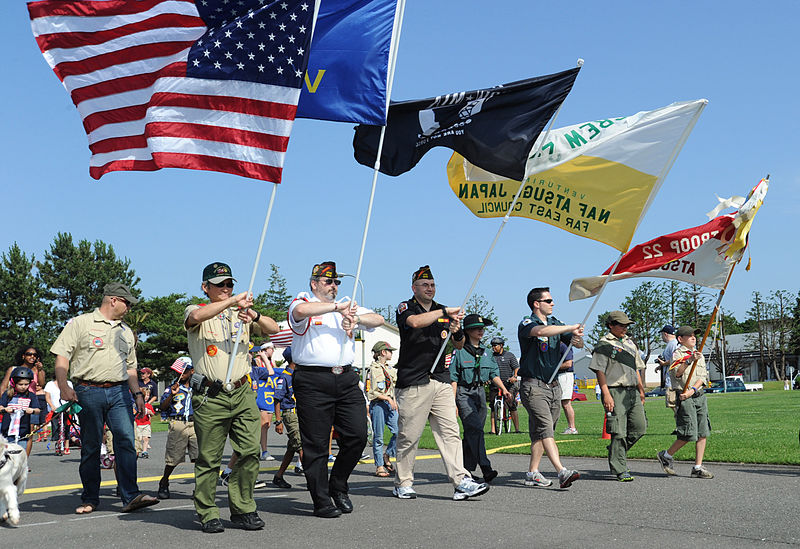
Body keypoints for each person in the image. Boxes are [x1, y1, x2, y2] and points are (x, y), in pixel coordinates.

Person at [184, 261, 280, 533]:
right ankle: (207, 511)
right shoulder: (197, 311)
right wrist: (231, 303)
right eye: (220, 285)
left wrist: (254, 315)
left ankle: (243, 507)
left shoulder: (241, 314)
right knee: (209, 458)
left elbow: (272, 329)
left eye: (229, 284)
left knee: (250, 451)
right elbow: (196, 319)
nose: (226, 289)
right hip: (211, 395)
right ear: (206, 288)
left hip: (241, 391)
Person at [51, 282, 159, 514]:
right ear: (113, 300)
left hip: (120, 392)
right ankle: (90, 499)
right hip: (88, 391)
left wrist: (137, 393)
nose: (129, 307)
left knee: (126, 442)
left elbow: (131, 368)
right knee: (91, 446)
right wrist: (63, 385)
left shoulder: (126, 331)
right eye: (127, 302)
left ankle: (131, 495)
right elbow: (62, 358)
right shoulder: (80, 323)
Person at [288, 261, 384, 518]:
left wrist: (355, 318)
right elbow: (300, 311)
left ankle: (338, 484)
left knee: (357, 435)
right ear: (314, 283)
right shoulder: (303, 301)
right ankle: (321, 501)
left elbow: (378, 319)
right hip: (312, 380)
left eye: (336, 283)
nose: (334, 286)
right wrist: (337, 307)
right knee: (316, 444)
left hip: (345, 378)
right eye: (328, 282)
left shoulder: (346, 305)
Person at [393, 265, 489, 502]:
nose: (430, 288)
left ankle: (460, 481)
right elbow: (414, 323)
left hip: (441, 379)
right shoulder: (407, 307)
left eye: (433, 285)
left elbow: (457, 345)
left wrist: (456, 331)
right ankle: (403, 482)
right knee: (409, 436)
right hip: (414, 380)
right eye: (425, 285)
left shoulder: (442, 311)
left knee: (450, 432)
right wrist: (444, 312)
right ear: (414, 288)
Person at [517, 287, 583, 489]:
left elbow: (576, 344)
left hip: (553, 386)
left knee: (541, 431)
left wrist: (576, 336)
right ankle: (562, 471)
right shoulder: (527, 323)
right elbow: (540, 332)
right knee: (545, 428)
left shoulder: (556, 323)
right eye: (548, 300)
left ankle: (532, 473)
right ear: (537, 304)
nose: (553, 303)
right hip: (533, 385)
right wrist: (569, 327)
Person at [450, 314, 510, 483]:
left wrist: (504, 390)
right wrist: (453, 403)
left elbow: (493, 373)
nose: (481, 331)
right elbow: (453, 378)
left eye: (482, 328)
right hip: (463, 392)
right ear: (467, 331)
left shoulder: (487, 352)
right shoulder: (459, 351)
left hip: (480, 393)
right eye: (477, 328)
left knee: (472, 432)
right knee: (475, 429)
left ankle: (465, 470)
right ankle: (486, 467)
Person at [589, 311, 647, 482]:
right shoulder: (604, 345)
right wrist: (606, 394)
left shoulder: (630, 343)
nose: (625, 328)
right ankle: (620, 469)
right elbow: (600, 370)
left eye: (626, 325)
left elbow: (636, 368)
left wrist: (641, 390)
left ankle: (615, 452)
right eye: (621, 325)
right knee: (618, 432)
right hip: (615, 390)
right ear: (611, 326)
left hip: (632, 391)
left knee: (640, 428)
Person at [657, 325, 714, 479]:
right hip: (683, 396)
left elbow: (703, 377)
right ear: (680, 339)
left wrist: (693, 390)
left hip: (697, 395)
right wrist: (688, 361)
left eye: (694, 335)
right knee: (688, 433)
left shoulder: (699, 355)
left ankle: (698, 466)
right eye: (689, 336)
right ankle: (666, 455)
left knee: (703, 432)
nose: (693, 338)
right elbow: (677, 374)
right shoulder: (677, 355)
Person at [157, 360, 198, 500]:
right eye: (178, 371)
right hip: (178, 423)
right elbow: (162, 407)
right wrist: (171, 395)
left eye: (185, 371)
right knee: (173, 459)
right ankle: (164, 481)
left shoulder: (198, 388)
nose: (181, 374)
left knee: (199, 458)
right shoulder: (172, 387)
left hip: (195, 424)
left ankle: (200, 488)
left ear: (192, 371)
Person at [366, 341, 398, 477]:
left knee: (399, 432)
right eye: (389, 351)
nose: (391, 353)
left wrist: (394, 402)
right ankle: (379, 466)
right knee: (378, 437)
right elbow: (372, 392)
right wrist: (388, 399)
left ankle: (387, 455)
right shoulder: (373, 369)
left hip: (391, 404)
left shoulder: (390, 369)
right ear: (383, 352)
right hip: (378, 405)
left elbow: (393, 388)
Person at [271, 347, 302, 489]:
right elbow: (277, 399)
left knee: (292, 448)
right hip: (290, 414)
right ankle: (314, 481)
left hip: (299, 414)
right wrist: (278, 421)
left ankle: (278, 476)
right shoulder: (284, 377)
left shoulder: (298, 375)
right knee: (302, 447)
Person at [0, 367, 41, 447]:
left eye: (26, 384)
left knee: (20, 451)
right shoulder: (8, 394)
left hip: (23, 430)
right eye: (20, 384)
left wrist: (32, 410)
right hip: (8, 429)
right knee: (8, 452)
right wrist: (5, 409)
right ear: (14, 383)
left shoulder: (31, 395)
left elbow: (38, 410)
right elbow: (1, 406)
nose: (23, 387)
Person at [489, 337, 520, 434]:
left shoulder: (509, 355)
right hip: (495, 384)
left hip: (508, 384)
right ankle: (493, 430)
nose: (493, 348)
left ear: (501, 345)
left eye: (495, 345)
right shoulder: (490, 356)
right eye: (492, 346)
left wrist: (514, 376)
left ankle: (517, 429)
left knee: (512, 405)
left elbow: (516, 367)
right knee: (493, 407)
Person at [253, 343, 277, 461]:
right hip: (260, 396)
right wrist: (262, 357)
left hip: (269, 396)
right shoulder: (257, 361)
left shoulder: (272, 362)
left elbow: (273, 372)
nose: (272, 351)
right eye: (270, 349)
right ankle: (262, 450)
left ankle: (263, 449)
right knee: (262, 424)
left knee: (267, 425)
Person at [43, 376, 73, 455]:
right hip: (55, 409)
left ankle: (67, 445)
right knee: (56, 427)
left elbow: (71, 395)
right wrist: (52, 406)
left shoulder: (68, 383)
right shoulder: (50, 384)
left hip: (66, 408)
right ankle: (58, 444)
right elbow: (47, 397)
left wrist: (69, 406)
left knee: (67, 427)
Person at [557, 343, 578, 434]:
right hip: (558, 375)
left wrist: (553, 367)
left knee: (566, 403)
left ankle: (572, 428)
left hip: (564, 375)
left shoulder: (564, 346)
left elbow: (568, 363)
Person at [134, 387, 154, 457]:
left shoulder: (149, 405)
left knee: (146, 438)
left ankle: (144, 451)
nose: (146, 397)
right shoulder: (137, 404)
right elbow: (134, 413)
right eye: (145, 395)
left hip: (146, 424)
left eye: (148, 395)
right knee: (138, 438)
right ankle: (137, 451)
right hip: (138, 424)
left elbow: (152, 414)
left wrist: (150, 412)